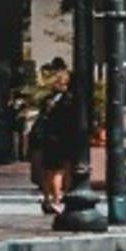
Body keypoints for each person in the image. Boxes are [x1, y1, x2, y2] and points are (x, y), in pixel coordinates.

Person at [27, 60, 80, 217]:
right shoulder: (67, 100)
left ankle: (47, 199)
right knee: (59, 171)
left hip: (46, 137)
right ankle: (57, 200)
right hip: (59, 138)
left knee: (49, 171)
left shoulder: (47, 100)